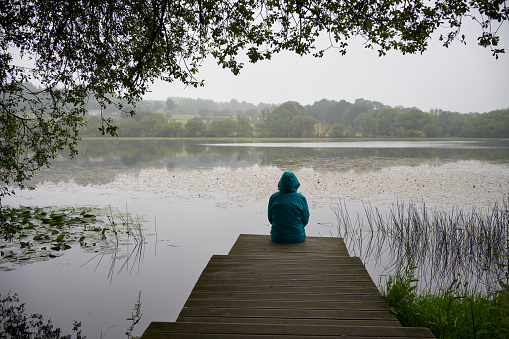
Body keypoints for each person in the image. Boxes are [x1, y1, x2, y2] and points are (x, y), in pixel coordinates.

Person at [268, 171, 310, 243]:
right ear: (296, 183)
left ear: (281, 182)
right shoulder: (301, 198)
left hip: (277, 237)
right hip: (297, 237)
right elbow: (305, 220)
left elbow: (270, 218)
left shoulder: (274, 197)